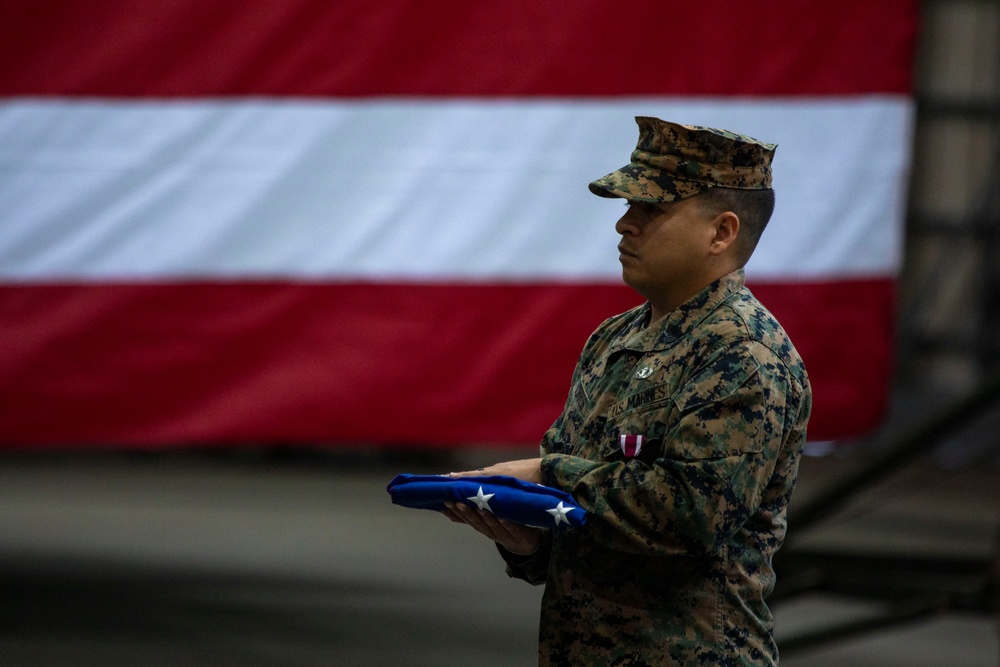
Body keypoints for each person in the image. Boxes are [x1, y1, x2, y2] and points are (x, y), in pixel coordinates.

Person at [441, 116, 811, 666]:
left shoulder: (743, 354)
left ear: (722, 232)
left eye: (652, 210)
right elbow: (587, 512)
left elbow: (692, 514)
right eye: (628, 207)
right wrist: (529, 539)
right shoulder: (615, 339)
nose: (624, 225)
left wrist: (547, 475)